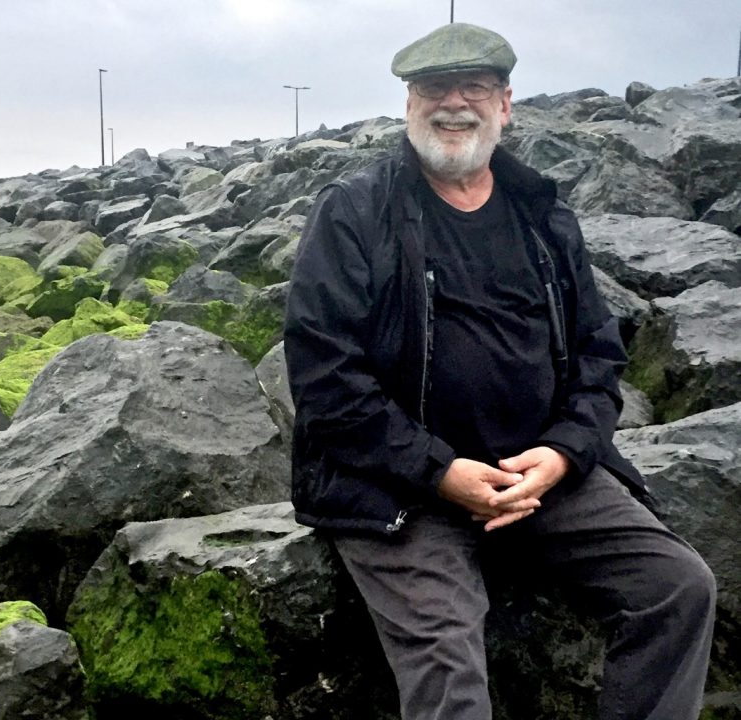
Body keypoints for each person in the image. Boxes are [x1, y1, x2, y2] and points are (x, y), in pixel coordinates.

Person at [283, 21, 716, 720]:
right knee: (450, 669)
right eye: (433, 88)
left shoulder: (541, 214)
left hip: (537, 475)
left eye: (474, 87)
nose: (454, 103)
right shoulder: (356, 212)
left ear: (506, 104)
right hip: (400, 490)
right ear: (408, 104)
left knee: (679, 587)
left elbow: (600, 355)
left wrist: (563, 454)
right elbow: (325, 380)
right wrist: (439, 472)